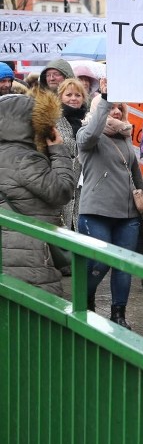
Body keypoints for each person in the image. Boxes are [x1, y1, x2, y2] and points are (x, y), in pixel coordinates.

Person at [77, 88, 143, 329]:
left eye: (119, 108)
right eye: (110, 107)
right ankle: (84, 297)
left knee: (123, 266)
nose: (115, 111)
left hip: (128, 214)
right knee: (100, 262)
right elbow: (90, 134)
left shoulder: (125, 139)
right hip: (95, 211)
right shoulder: (87, 134)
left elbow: (136, 178)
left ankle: (118, 313)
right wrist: (106, 97)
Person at [0, 90, 76, 295]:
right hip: (29, 259)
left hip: (7, 254)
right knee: (36, 320)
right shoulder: (26, 159)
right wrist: (58, 150)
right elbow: (62, 191)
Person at [55, 78, 89, 237]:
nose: (73, 98)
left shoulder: (88, 121)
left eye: (78, 95)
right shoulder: (53, 121)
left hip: (85, 188)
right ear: (60, 96)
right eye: (68, 94)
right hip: (60, 185)